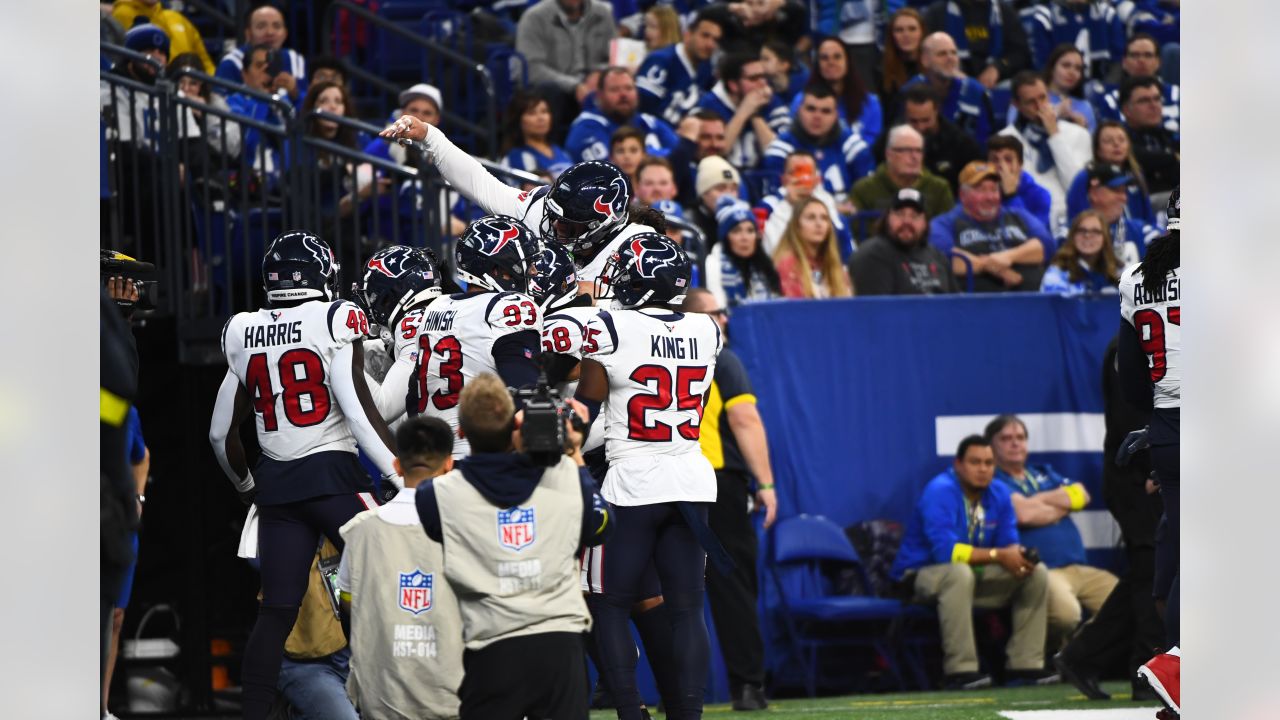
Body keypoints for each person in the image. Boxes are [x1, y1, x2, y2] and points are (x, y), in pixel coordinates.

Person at [208, 230, 400, 720]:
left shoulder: (242, 329)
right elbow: (357, 409)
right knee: (401, 579)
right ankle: (407, 700)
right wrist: (404, 474)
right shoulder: (334, 318)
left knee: (277, 612)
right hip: (334, 478)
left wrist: (248, 486)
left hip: (277, 488)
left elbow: (218, 433)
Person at [576, 233, 723, 720]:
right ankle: (689, 715)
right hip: (690, 478)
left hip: (633, 482)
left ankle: (629, 712)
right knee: (686, 610)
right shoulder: (707, 328)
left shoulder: (610, 327)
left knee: (608, 604)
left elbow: (585, 407)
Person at [415, 373, 613, 719]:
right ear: (512, 428)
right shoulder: (563, 474)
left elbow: (438, 526)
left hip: (491, 647)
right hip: (559, 644)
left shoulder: (435, 496)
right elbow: (601, 526)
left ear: (460, 432)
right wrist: (575, 452)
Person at [378, 116, 660, 296]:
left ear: (604, 224)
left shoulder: (637, 247)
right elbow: (481, 185)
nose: (556, 227)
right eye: (556, 216)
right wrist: (431, 137)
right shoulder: (542, 208)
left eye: (570, 224)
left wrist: (600, 299)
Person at [889, 435, 1057, 690]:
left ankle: (1025, 665)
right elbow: (946, 553)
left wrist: (1017, 555)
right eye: (975, 462)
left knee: (1035, 573)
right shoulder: (940, 491)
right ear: (958, 464)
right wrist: (999, 556)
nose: (983, 469)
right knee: (958, 574)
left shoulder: (999, 493)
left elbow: (1008, 544)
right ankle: (960, 671)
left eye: (989, 463)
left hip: (970, 576)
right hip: (920, 577)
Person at [1053, 336, 1164, 703]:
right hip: (1137, 474)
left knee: (1149, 571)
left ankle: (1083, 656)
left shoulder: (1158, 334)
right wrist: (1154, 464)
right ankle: (1146, 674)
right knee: (1152, 568)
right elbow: (1131, 410)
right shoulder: (1133, 341)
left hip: (1154, 468)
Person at [682, 287, 777, 712]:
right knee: (732, 585)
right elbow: (744, 417)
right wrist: (768, 485)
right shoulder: (720, 356)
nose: (724, 321)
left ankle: (667, 688)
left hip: (658, 481)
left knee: (660, 588)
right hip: (716, 483)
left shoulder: (648, 349)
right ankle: (747, 686)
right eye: (717, 313)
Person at [337, 416, 464, 719]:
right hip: (454, 696)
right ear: (449, 463)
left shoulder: (359, 531)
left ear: (396, 466)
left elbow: (348, 610)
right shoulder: (468, 527)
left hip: (382, 697)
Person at [410, 216, 544, 457]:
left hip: (432, 459)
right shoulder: (508, 307)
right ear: (497, 270)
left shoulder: (435, 306)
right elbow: (525, 392)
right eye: (527, 263)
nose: (534, 271)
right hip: (481, 459)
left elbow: (413, 395)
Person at [1120, 188, 1180, 716]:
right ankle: (1180, 664)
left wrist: (1157, 424)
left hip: (1167, 430)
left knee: (1183, 548)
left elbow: (1133, 384)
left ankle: (1183, 682)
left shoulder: (1137, 278)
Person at [986, 415, 1119, 648]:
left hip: (1080, 567)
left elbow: (1082, 495)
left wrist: (1034, 501)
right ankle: (1072, 656)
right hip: (1043, 570)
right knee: (1066, 616)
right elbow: (1023, 515)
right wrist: (1062, 505)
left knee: (1126, 604)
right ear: (991, 446)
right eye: (1006, 438)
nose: (1015, 443)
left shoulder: (1043, 472)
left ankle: (1078, 656)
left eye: (1020, 437)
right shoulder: (993, 481)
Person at [352, 245, 445, 428]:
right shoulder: (448, 307)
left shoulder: (411, 324)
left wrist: (344, 357)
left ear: (391, 296)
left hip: (444, 441)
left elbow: (383, 409)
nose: (370, 303)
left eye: (373, 296)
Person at [929, 161, 1051, 292]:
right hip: (975, 306)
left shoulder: (1019, 216)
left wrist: (1008, 257)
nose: (989, 197)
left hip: (1032, 302)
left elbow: (1046, 245)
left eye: (994, 189)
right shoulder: (945, 223)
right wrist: (991, 267)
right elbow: (943, 258)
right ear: (963, 195)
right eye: (981, 190)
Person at [997, 72, 1092, 231]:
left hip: (1073, 219)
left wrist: (1055, 135)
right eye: (1031, 102)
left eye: (1043, 98)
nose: (1040, 107)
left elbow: (1077, 187)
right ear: (1016, 104)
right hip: (1030, 220)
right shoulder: (1005, 140)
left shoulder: (1078, 134)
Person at [763, 83, 874, 204]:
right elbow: (773, 197)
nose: (817, 117)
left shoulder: (852, 145)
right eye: (811, 109)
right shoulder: (781, 147)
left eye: (825, 111)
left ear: (836, 115)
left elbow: (867, 195)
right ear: (799, 110)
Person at [517, 0, 617, 123]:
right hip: (558, 89)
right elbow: (532, 68)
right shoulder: (534, 18)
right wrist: (574, 86)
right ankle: (552, 141)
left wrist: (600, 74)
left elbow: (614, 58)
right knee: (550, 90)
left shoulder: (603, 13)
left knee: (625, 88)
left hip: (595, 86)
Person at [848, 187, 956, 295]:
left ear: (925, 223)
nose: (906, 221)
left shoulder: (936, 256)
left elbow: (955, 304)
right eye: (900, 214)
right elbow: (876, 309)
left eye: (915, 216)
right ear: (887, 218)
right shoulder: (871, 255)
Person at [695, 52, 791, 171]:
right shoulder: (709, 105)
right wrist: (743, 112)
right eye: (754, 79)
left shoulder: (772, 102)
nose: (762, 84)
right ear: (733, 85)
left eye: (763, 76)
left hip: (762, 180)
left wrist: (755, 115)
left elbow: (776, 155)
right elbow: (715, 154)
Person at [566, 67, 681, 163]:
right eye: (614, 89)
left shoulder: (647, 122)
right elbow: (610, 173)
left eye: (629, 88)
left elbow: (680, 156)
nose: (623, 95)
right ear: (599, 96)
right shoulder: (586, 127)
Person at [758, 150, 855, 258]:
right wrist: (793, 206)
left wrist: (807, 205)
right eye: (794, 173)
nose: (802, 178)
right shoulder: (769, 205)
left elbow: (841, 242)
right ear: (784, 179)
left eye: (807, 172)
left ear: (817, 179)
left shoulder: (826, 202)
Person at [902, 32, 995, 144]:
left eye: (954, 53)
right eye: (942, 54)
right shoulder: (908, 91)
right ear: (925, 60)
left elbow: (986, 138)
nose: (950, 58)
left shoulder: (976, 91)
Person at [635, 10, 723, 124]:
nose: (710, 45)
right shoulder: (660, 61)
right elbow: (642, 110)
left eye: (715, 40)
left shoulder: (706, 68)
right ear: (687, 35)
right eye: (705, 36)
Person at [794, 37, 884, 147]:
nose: (831, 62)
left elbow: (872, 145)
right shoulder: (802, 101)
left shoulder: (870, 103)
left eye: (837, 57)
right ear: (817, 64)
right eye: (824, 58)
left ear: (848, 62)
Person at [921, 0, 1031, 89]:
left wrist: (998, 67)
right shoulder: (937, 13)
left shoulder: (1004, 12)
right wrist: (952, 72)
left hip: (997, 82)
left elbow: (1019, 53)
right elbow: (926, 52)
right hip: (951, 80)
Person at [851, 124, 955, 217]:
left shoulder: (939, 189)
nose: (915, 157)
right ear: (889, 154)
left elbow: (947, 232)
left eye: (919, 151)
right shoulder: (864, 190)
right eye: (907, 150)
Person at [898, 84, 984, 194]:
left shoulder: (962, 144)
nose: (920, 127)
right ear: (905, 116)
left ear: (937, 111)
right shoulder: (891, 142)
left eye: (926, 120)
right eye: (914, 121)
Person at [1065, 120, 1155, 226]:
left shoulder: (1136, 175)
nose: (1116, 144)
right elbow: (1076, 218)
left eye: (1122, 140)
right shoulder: (1085, 177)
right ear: (1097, 149)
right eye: (1108, 141)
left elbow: (1149, 218)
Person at [1087, 34, 1180, 136]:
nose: (1141, 60)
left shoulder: (1178, 95)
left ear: (1158, 62)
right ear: (1124, 62)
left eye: (1148, 55)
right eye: (1135, 55)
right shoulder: (1109, 100)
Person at [216, 4, 307, 105]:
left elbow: (308, 107)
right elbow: (220, 106)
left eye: (276, 26)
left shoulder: (294, 59)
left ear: (285, 33)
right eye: (261, 26)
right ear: (248, 33)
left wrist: (295, 93)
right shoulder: (232, 63)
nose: (270, 32)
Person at [706, 196, 783, 309]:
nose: (745, 238)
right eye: (736, 231)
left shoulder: (765, 265)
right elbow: (718, 309)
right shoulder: (713, 264)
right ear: (725, 237)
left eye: (750, 230)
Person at [1079, 162, 1161, 266]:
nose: (1124, 198)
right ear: (1094, 193)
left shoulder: (1141, 229)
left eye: (1124, 191)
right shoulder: (1071, 234)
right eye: (1116, 191)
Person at [1022, 1, 1125, 83]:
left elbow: (1118, 60)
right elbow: (1042, 64)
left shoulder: (1107, 14)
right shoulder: (1045, 16)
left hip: (1102, 86)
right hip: (1058, 89)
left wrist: (1106, 88)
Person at [773, 197, 854, 299]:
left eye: (824, 218)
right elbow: (795, 309)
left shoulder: (834, 264)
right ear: (797, 226)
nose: (819, 224)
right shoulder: (787, 263)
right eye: (811, 218)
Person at [1006, 44, 1096, 133]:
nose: (1072, 72)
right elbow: (1013, 130)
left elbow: (1090, 143)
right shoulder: (1028, 94)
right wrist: (1056, 113)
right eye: (1066, 65)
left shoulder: (1085, 107)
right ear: (1052, 68)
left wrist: (1081, 130)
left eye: (1078, 68)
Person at [112, 0, 215, 73]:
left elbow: (205, 62)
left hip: (190, 88)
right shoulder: (123, 14)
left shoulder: (174, 16)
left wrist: (212, 87)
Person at [1119, 76, 1179, 195]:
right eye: (1144, 101)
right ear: (1126, 110)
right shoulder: (1119, 139)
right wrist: (1171, 158)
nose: (1153, 105)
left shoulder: (1171, 136)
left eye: (1157, 99)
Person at [1039, 210, 1120, 295]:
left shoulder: (1119, 272)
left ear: (1105, 238)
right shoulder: (1057, 273)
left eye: (1095, 231)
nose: (1087, 235)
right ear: (1073, 236)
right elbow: (1058, 307)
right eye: (1081, 230)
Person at [501, 88, 573, 180]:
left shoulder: (562, 152)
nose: (541, 118)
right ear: (518, 120)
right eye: (532, 113)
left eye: (544, 111)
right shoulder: (516, 158)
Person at [987, 135, 1052, 232]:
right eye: (995, 160)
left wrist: (1011, 196)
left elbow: (1032, 234)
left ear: (1020, 164)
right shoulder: (978, 192)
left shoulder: (1039, 195)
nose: (1001, 166)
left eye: (1008, 160)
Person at [880, 7, 925, 99]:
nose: (906, 35)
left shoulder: (933, 67)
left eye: (912, 29)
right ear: (891, 36)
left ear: (922, 32)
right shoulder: (880, 72)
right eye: (899, 30)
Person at [760, 39, 808, 107]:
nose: (760, 63)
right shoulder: (763, 86)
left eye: (766, 59)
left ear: (784, 65)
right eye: (760, 59)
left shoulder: (804, 83)